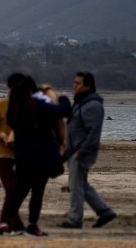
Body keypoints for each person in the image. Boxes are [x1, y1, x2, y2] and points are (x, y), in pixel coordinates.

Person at [3, 75, 70, 237]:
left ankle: (5, 222)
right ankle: (32, 226)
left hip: (23, 158)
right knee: (37, 192)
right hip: (42, 158)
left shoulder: (14, 110)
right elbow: (63, 110)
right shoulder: (40, 106)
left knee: (19, 191)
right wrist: (63, 97)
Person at [57, 72, 117, 229]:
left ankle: (75, 219)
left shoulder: (92, 106)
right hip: (75, 152)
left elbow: (93, 133)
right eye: (74, 82)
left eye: (78, 83)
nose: (74, 85)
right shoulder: (82, 103)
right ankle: (104, 211)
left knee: (75, 185)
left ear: (88, 86)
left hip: (82, 153)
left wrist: (81, 153)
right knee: (81, 184)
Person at [0, 72, 23, 235]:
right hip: (2, 154)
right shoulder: (1, 105)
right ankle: (5, 222)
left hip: (20, 155)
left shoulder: (25, 107)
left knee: (16, 190)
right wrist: (0, 134)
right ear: (9, 89)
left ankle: (15, 222)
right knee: (11, 189)